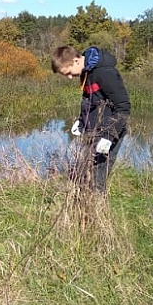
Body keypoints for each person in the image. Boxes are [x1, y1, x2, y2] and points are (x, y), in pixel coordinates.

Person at [51, 45, 131, 195]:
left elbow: (123, 107)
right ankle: (83, 209)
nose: (69, 77)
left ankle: (98, 212)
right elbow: (91, 101)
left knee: (97, 179)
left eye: (68, 72)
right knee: (85, 173)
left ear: (75, 61)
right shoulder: (86, 73)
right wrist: (81, 121)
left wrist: (108, 136)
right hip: (94, 132)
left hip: (109, 132)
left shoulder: (104, 73)